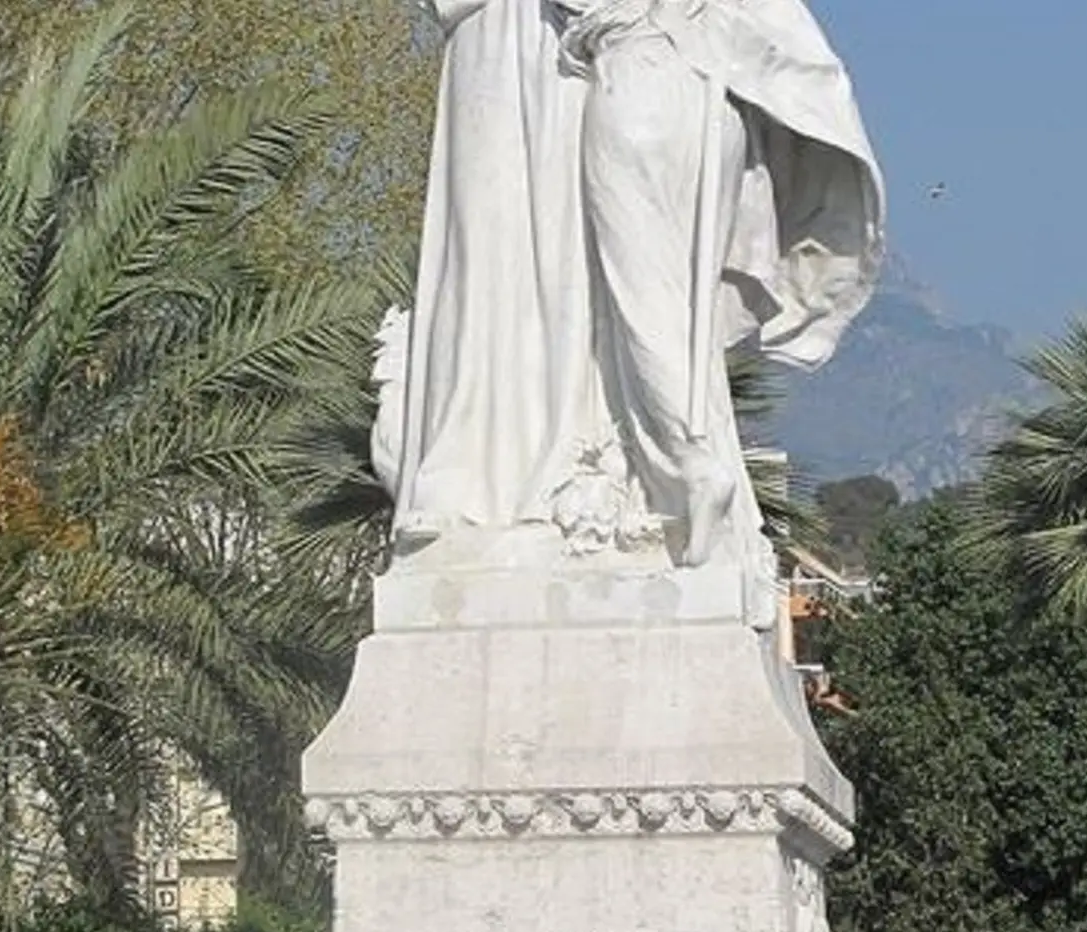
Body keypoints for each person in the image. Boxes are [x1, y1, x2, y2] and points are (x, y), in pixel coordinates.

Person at [378, 0, 884, 581]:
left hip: (629, 61)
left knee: (631, 271)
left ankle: (654, 477)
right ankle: (477, 477)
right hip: (510, 42)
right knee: (494, 231)